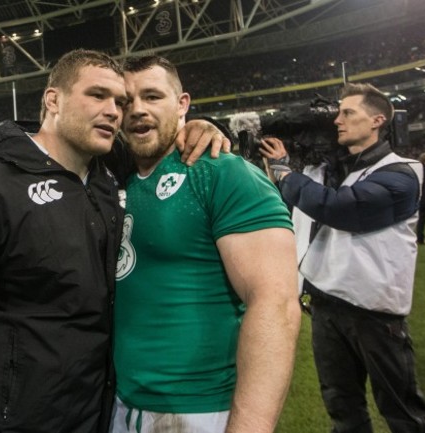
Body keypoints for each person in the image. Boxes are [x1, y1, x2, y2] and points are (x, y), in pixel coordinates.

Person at [0, 49, 227, 433]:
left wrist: (201, 126)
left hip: (95, 416)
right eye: (97, 95)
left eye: (120, 101)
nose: (115, 111)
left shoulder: (105, 177)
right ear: (53, 99)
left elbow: (158, 141)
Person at [112, 55, 300, 433]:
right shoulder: (118, 178)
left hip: (197, 410)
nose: (138, 110)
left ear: (182, 104)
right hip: (123, 403)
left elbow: (275, 303)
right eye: (126, 101)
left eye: (152, 96)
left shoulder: (223, 172)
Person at [260, 82, 425, 432]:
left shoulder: (402, 171)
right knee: (343, 410)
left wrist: (282, 170)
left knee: (403, 416)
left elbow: (341, 210)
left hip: (375, 315)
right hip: (325, 307)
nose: (337, 120)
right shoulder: (326, 171)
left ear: (377, 120)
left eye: (348, 113)